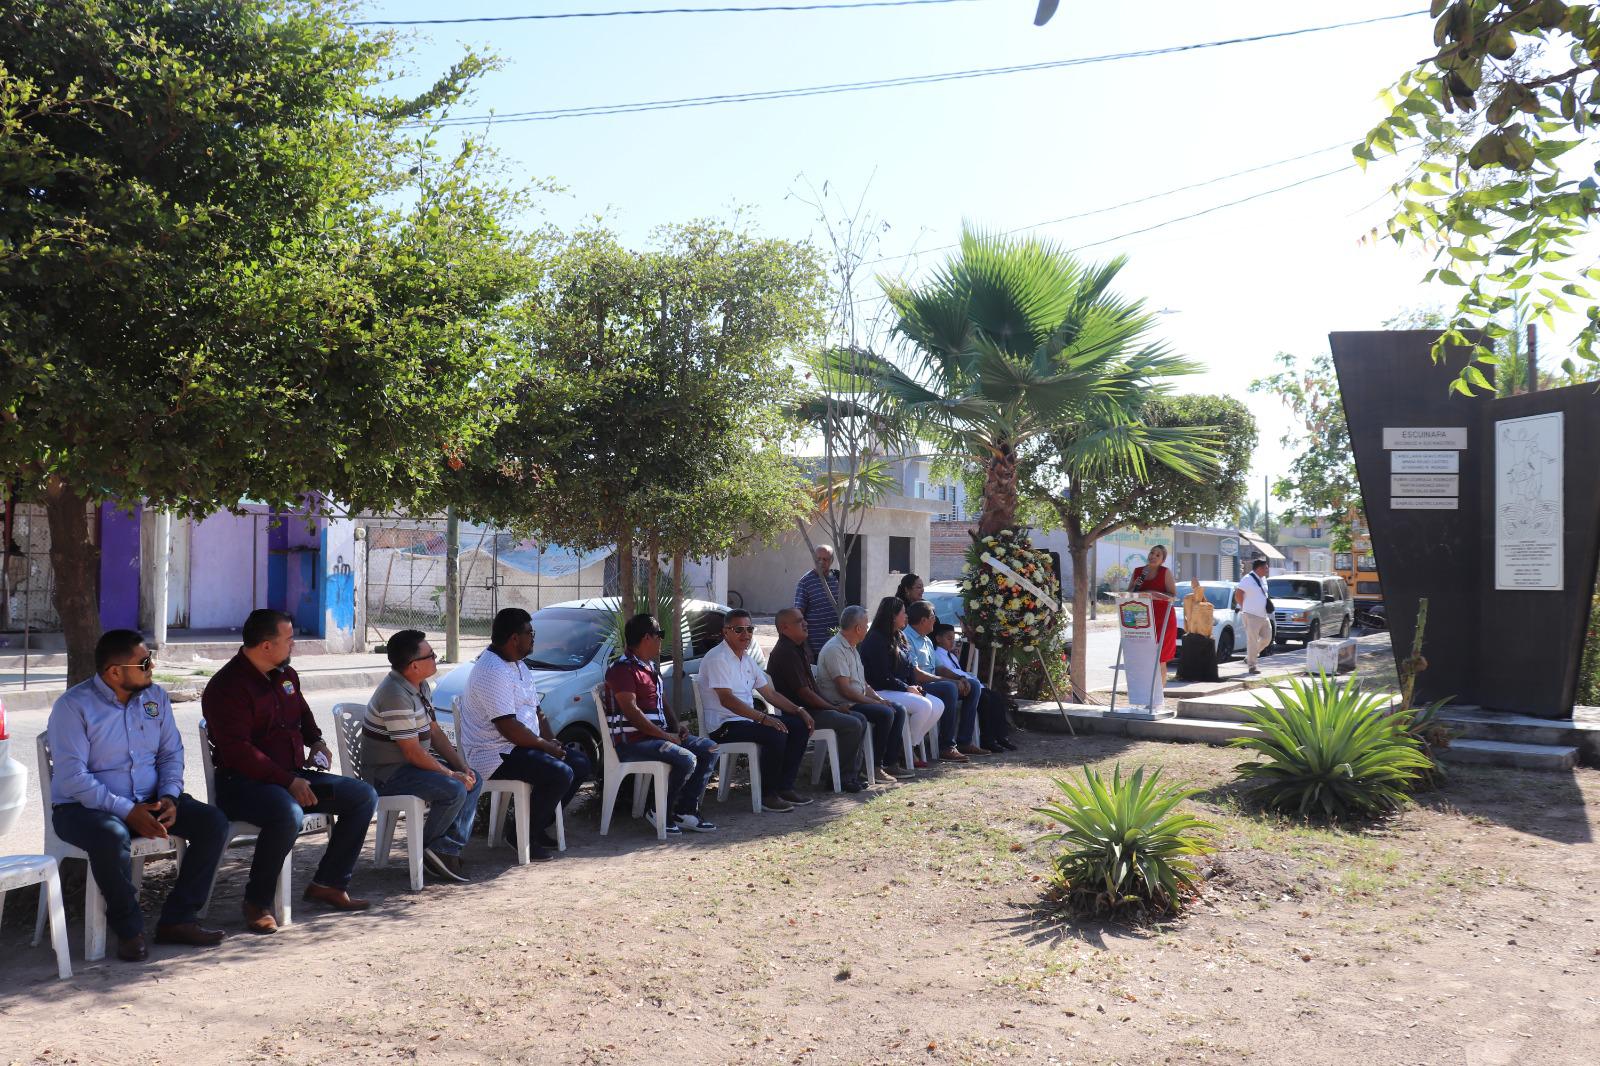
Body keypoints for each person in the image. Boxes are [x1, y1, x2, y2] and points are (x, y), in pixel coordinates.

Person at [47, 629, 230, 961]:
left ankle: (178, 919)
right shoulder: (73, 706)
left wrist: (170, 796)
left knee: (213, 822)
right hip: (83, 809)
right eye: (144, 663)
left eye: (151, 659)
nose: (152, 667)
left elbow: (170, 753)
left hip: (149, 800)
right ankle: (129, 930)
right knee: (110, 835)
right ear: (115, 672)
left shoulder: (155, 697)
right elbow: (73, 778)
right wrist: (127, 811)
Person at [205, 609, 378, 933]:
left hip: (293, 777)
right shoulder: (227, 687)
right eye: (288, 639)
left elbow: (303, 715)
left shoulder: (286, 675)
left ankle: (328, 883)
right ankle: (256, 902)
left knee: (362, 796)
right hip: (244, 786)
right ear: (266, 646)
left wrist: (317, 742)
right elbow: (238, 752)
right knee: (287, 813)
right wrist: (288, 782)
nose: (293, 645)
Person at [457, 608, 592, 861]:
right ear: (514, 638)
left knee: (579, 764)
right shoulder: (492, 670)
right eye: (530, 633)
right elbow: (508, 728)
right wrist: (545, 747)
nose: (533, 638)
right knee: (559, 773)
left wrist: (551, 740)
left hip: (520, 747)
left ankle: (535, 826)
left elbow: (537, 711)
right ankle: (521, 835)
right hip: (494, 754)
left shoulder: (518, 664)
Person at [361, 629, 481, 883]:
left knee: (474, 779)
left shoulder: (420, 686)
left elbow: (434, 732)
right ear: (414, 665)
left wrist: (461, 766)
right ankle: (430, 850)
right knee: (454, 788)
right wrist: (451, 774)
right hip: (388, 774)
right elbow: (413, 752)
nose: (436, 658)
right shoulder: (395, 694)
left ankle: (445, 848)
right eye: (431, 655)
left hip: (411, 767)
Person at [604, 613, 720, 835]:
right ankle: (659, 810)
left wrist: (676, 727)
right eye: (660, 634)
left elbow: (662, 702)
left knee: (710, 749)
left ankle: (685, 811)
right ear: (647, 637)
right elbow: (632, 712)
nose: (661, 640)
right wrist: (666, 736)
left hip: (655, 737)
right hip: (633, 743)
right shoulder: (622, 669)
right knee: (686, 758)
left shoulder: (649, 667)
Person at [696, 608, 813, 811]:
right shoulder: (718, 658)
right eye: (739, 629)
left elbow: (770, 694)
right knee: (775, 733)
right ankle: (768, 795)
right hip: (724, 726)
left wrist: (799, 710)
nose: (746, 634)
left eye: (749, 629)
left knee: (799, 725)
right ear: (725, 632)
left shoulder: (747, 658)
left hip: (746, 721)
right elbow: (727, 700)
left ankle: (784, 787)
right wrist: (763, 718)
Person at [767, 607, 869, 792]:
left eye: (804, 619)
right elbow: (805, 694)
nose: (805, 623)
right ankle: (841, 778)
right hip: (800, 714)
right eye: (799, 621)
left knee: (860, 718)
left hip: (812, 709)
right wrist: (833, 708)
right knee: (852, 723)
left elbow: (813, 689)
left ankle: (851, 775)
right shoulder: (785, 652)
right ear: (785, 627)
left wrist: (832, 707)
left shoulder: (797, 648)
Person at [814, 605, 904, 785]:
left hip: (855, 699)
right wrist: (874, 703)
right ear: (857, 628)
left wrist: (879, 699)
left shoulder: (852, 647)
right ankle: (874, 766)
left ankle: (890, 762)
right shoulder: (835, 649)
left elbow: (863, 684)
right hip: (843, 703)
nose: (867, 629)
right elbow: (845, 690)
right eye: (866, 625)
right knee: (885, 713)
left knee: (897, 709)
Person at [857, 596, 942, 772]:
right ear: (893, 616)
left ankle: (907, 746)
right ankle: (899, 750)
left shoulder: (900, 636)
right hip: (880, 691)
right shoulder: (875, 639)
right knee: (924, 706)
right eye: (903, 613)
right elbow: (881, 677)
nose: (906, 616)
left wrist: (914, 685)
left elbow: (909, 667)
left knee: (938, 705)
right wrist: (907, 688)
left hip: (899, 689)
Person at [904, 600, 984, 760]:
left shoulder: (926, 640)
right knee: (949, 688)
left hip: (933, 683)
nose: (935, 620)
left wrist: (959, 677)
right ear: (923, 620)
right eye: (932, 617)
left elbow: (939, 667)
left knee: (973, 685)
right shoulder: (907, 638)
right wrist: (951, 682)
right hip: (917, 686)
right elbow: (916, 674)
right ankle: (947, 746)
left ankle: (964, 741)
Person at [932, 622, 1013, 752]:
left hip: (968, 683)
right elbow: (944, 672)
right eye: (949, 638)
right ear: (938, 639)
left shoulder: (951, 656)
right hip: (957, 685)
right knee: (985, 699)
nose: (952, 642)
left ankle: (1001, 736)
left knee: (996, 697)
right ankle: (987, 739)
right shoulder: (936, 654)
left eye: (953, 638)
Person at [1128, 545, 1178, 668]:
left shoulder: (1165, 572)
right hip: (1141, 619)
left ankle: (1160, 682)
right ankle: (1144, 682)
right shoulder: (1138, 572)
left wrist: (1152, 594)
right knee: (1142, 657)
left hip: (1163, 619)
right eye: (1152, 553)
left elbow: (1172, 596)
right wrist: (1134, 587)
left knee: (1160, 659)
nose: (1153, 556)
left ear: (1163, 560)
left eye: (1158, 555)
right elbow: (1128, 594)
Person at [793, 543, 842, 658]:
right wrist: (806, 647)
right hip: (816, 650)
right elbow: (798, 617)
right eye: (818, 559)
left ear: (832, 560)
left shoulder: (837, 579)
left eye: (825, 559)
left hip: (836, 647)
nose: (821, 562)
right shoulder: (805, 582)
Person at [1233, 557, 1276, 675]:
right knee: (1252, 640)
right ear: (1259, 568)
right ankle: (1252, 665)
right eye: (1265, 568)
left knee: (1267, 638)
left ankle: (1249, 657)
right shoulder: (1247, 579)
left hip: (1263, 615)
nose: (1267, 570)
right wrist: (1244, 607)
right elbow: (1238, 594)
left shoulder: (1263, 579)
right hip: (1251, 615)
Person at [1177, 580, 1220, 683]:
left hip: (1201, 633)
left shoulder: (1206, 605)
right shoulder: (1188, 599)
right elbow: (1186, 615)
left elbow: (1207, 621)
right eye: (1196, 589)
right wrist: (1187, 627)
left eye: (1199, 590)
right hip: (1192, 631)